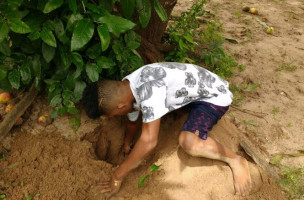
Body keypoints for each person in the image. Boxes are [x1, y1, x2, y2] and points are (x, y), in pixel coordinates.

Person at [82, 62, 252, 199]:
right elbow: (132, 121)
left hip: (213, 97)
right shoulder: (128, 88)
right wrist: (127, 143)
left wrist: (117, 176)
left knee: (189, 142)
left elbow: (149, 141)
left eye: (113, 114)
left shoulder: (149, 91)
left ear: (120, 106)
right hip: (194, 90)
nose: (114, 117)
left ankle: (236, 160)